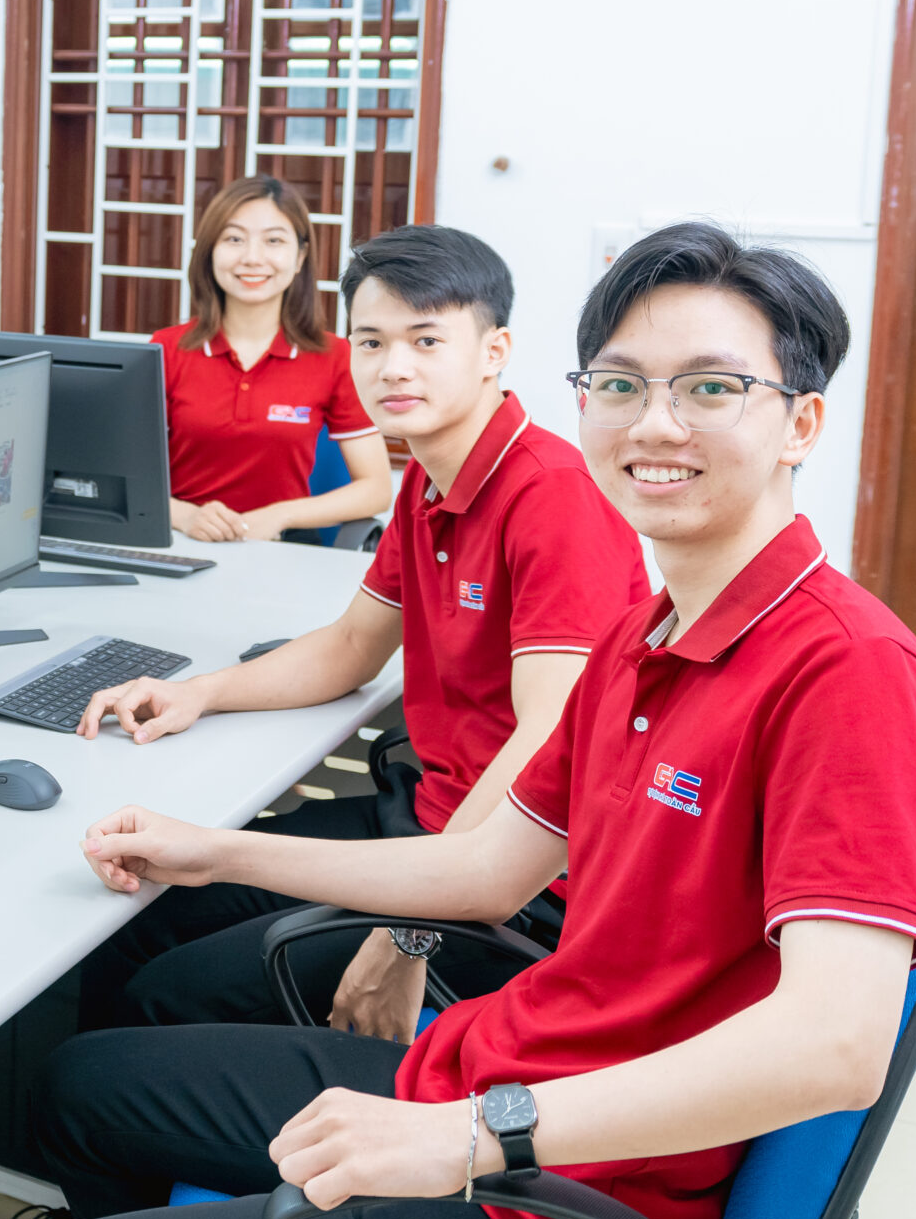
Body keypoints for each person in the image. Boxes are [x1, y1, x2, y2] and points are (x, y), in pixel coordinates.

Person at [10, 222, 916, 1219]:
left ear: (800, 423)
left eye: (711, 388)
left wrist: (472, 1136)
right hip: (496, 1075)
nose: (656, 422)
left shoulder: (845, 666)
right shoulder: (642, 636)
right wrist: (215, 850)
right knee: (77, 1086)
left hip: (569, 1192)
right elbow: (487, 868)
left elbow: (837, 1044)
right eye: (620, 385)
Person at [75, 226, 646, 1038]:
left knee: (165, 993)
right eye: (372, 341)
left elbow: (548, 739)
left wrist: (406, 929)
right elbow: (351, 647)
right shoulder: (430, 479)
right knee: (142, 917)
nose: (394, 366)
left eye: (426, 340)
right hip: (423, 817)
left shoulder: (552, 495)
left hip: (518, 880)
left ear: (495, 350)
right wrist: (198, 692)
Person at [154, 178, 396, 544]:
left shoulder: (335, 358)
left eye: (273, 241)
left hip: (282, 545)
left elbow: (376, 490)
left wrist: (280, 515)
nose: (252, 258)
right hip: (182, 541)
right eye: (234, 239)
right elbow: (120, 476)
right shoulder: (167, 349)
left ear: (299, 257)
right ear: (210, 251)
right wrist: (186, 516)